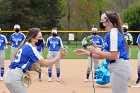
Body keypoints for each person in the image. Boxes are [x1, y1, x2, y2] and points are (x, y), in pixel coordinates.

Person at [74, 11, 132, 93]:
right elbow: (104, 55)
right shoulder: (110, 34)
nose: (100, 22)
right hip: (116, 68)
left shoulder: (113, 33)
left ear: (108, 22)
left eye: (102, 20)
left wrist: (96, 50)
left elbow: (114, 55)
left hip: (119, 68)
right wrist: (86, 52)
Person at [4, 28, 67, 93]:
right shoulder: (31, 49)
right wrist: (60, 56)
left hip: (11, 75)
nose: (41, 39)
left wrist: (30, 68)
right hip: (14, 77)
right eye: (39, 37)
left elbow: (21, 60)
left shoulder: (26, 45)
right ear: (33, 39)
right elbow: (46, 63)